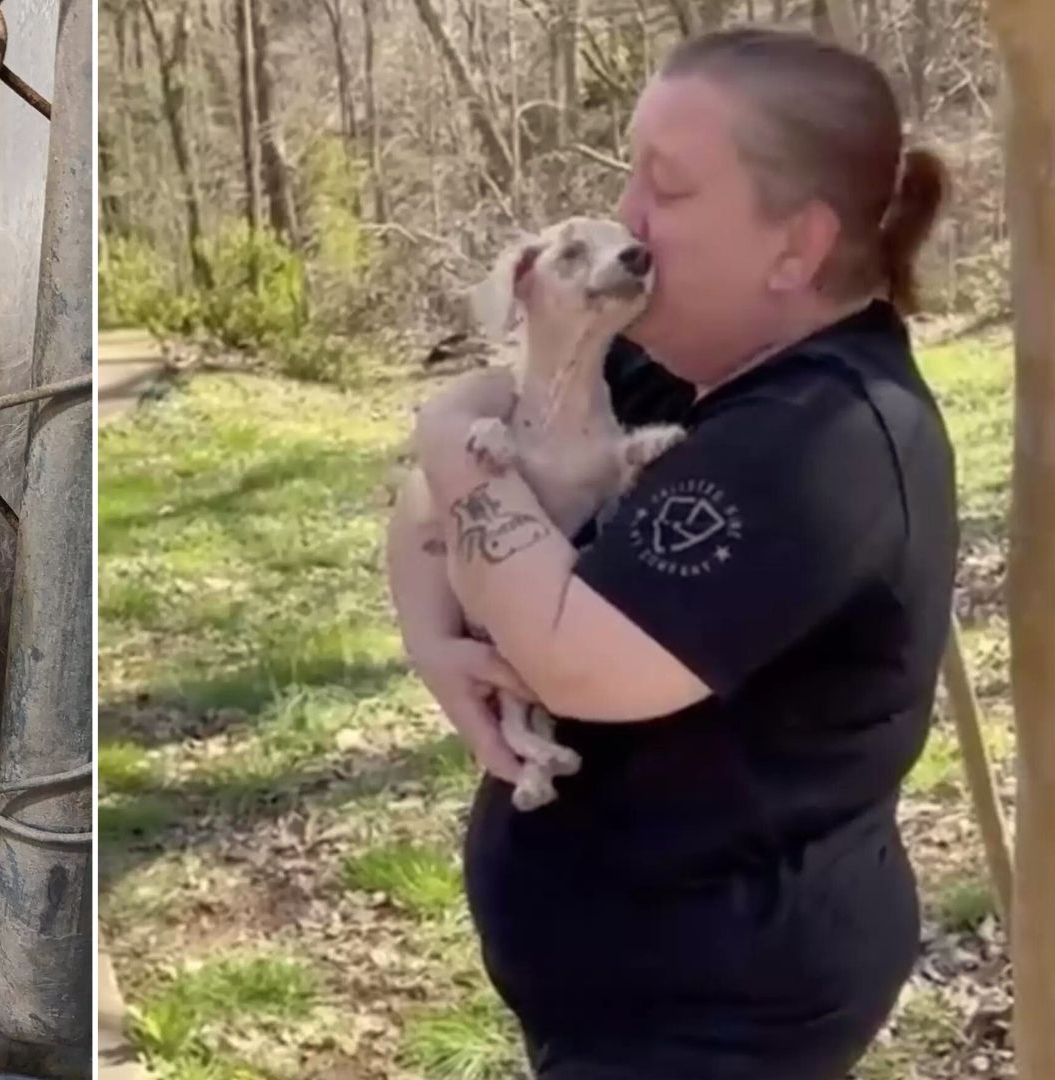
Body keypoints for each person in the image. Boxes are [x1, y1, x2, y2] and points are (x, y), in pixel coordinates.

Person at [385, 26, 957, 1080]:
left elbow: (570, 653)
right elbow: (426, 505)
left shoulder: (822, 441)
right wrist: (435, 639)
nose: (629, 220)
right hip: (625, 1005)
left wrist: (450, 425)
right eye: (628, 179)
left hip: (720, 1024)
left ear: (797, 246)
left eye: (670, 188)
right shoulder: (670, 377)